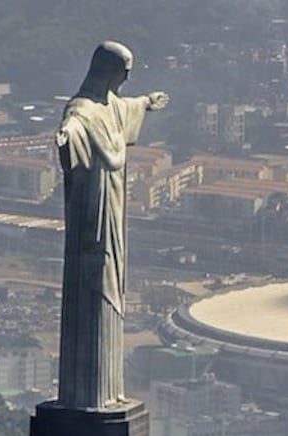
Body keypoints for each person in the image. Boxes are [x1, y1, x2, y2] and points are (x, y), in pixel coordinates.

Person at [56, 41, 168, 409]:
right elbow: (73, 124)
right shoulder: (83, 110)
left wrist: (147, 102)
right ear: (107, 70)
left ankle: (108, 392)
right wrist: (67, 136)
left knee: (113, 287)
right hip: (93, 213)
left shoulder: (110, 106)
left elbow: (125, 107)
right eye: (124, 71)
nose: (128, 78)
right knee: (94, 287)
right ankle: (88, 395)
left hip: (114, 209)